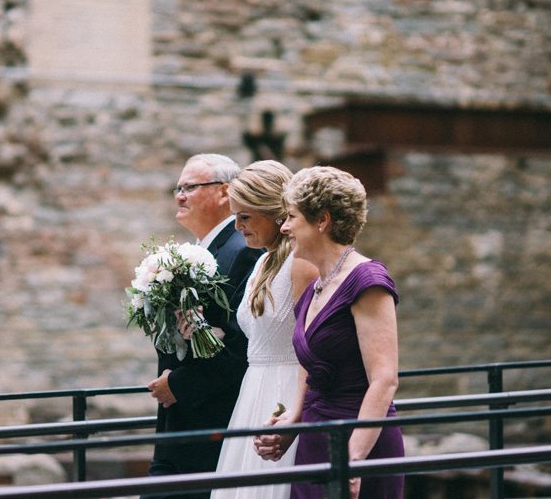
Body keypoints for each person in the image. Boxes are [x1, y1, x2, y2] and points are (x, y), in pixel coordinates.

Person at [254, 166, 404, 499]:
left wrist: (352, 461)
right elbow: (310, 362)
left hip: (358, 442)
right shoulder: (314, 288)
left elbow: (384, 380)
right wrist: (294, 418)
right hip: (314, 437)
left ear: (322, 220)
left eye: (292, 217)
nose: (284, 227)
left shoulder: (367, 282)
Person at [144, 154, 264, 499]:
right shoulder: (202, 250)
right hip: (178, 421)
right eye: (178, 188)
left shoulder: (242, 251)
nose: (180, 196)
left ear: (224, 192)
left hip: (208, 421)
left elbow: (241, 347)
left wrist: (179, 385)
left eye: (190, 187)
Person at [211, 161, 318, 499]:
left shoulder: (300, 264)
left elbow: (309, 345)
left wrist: (296, 414)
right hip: (252, 391)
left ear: (274, 213)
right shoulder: (261, 261)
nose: (238, 227)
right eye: (234, 217)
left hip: (285, 391)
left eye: (245, 217)